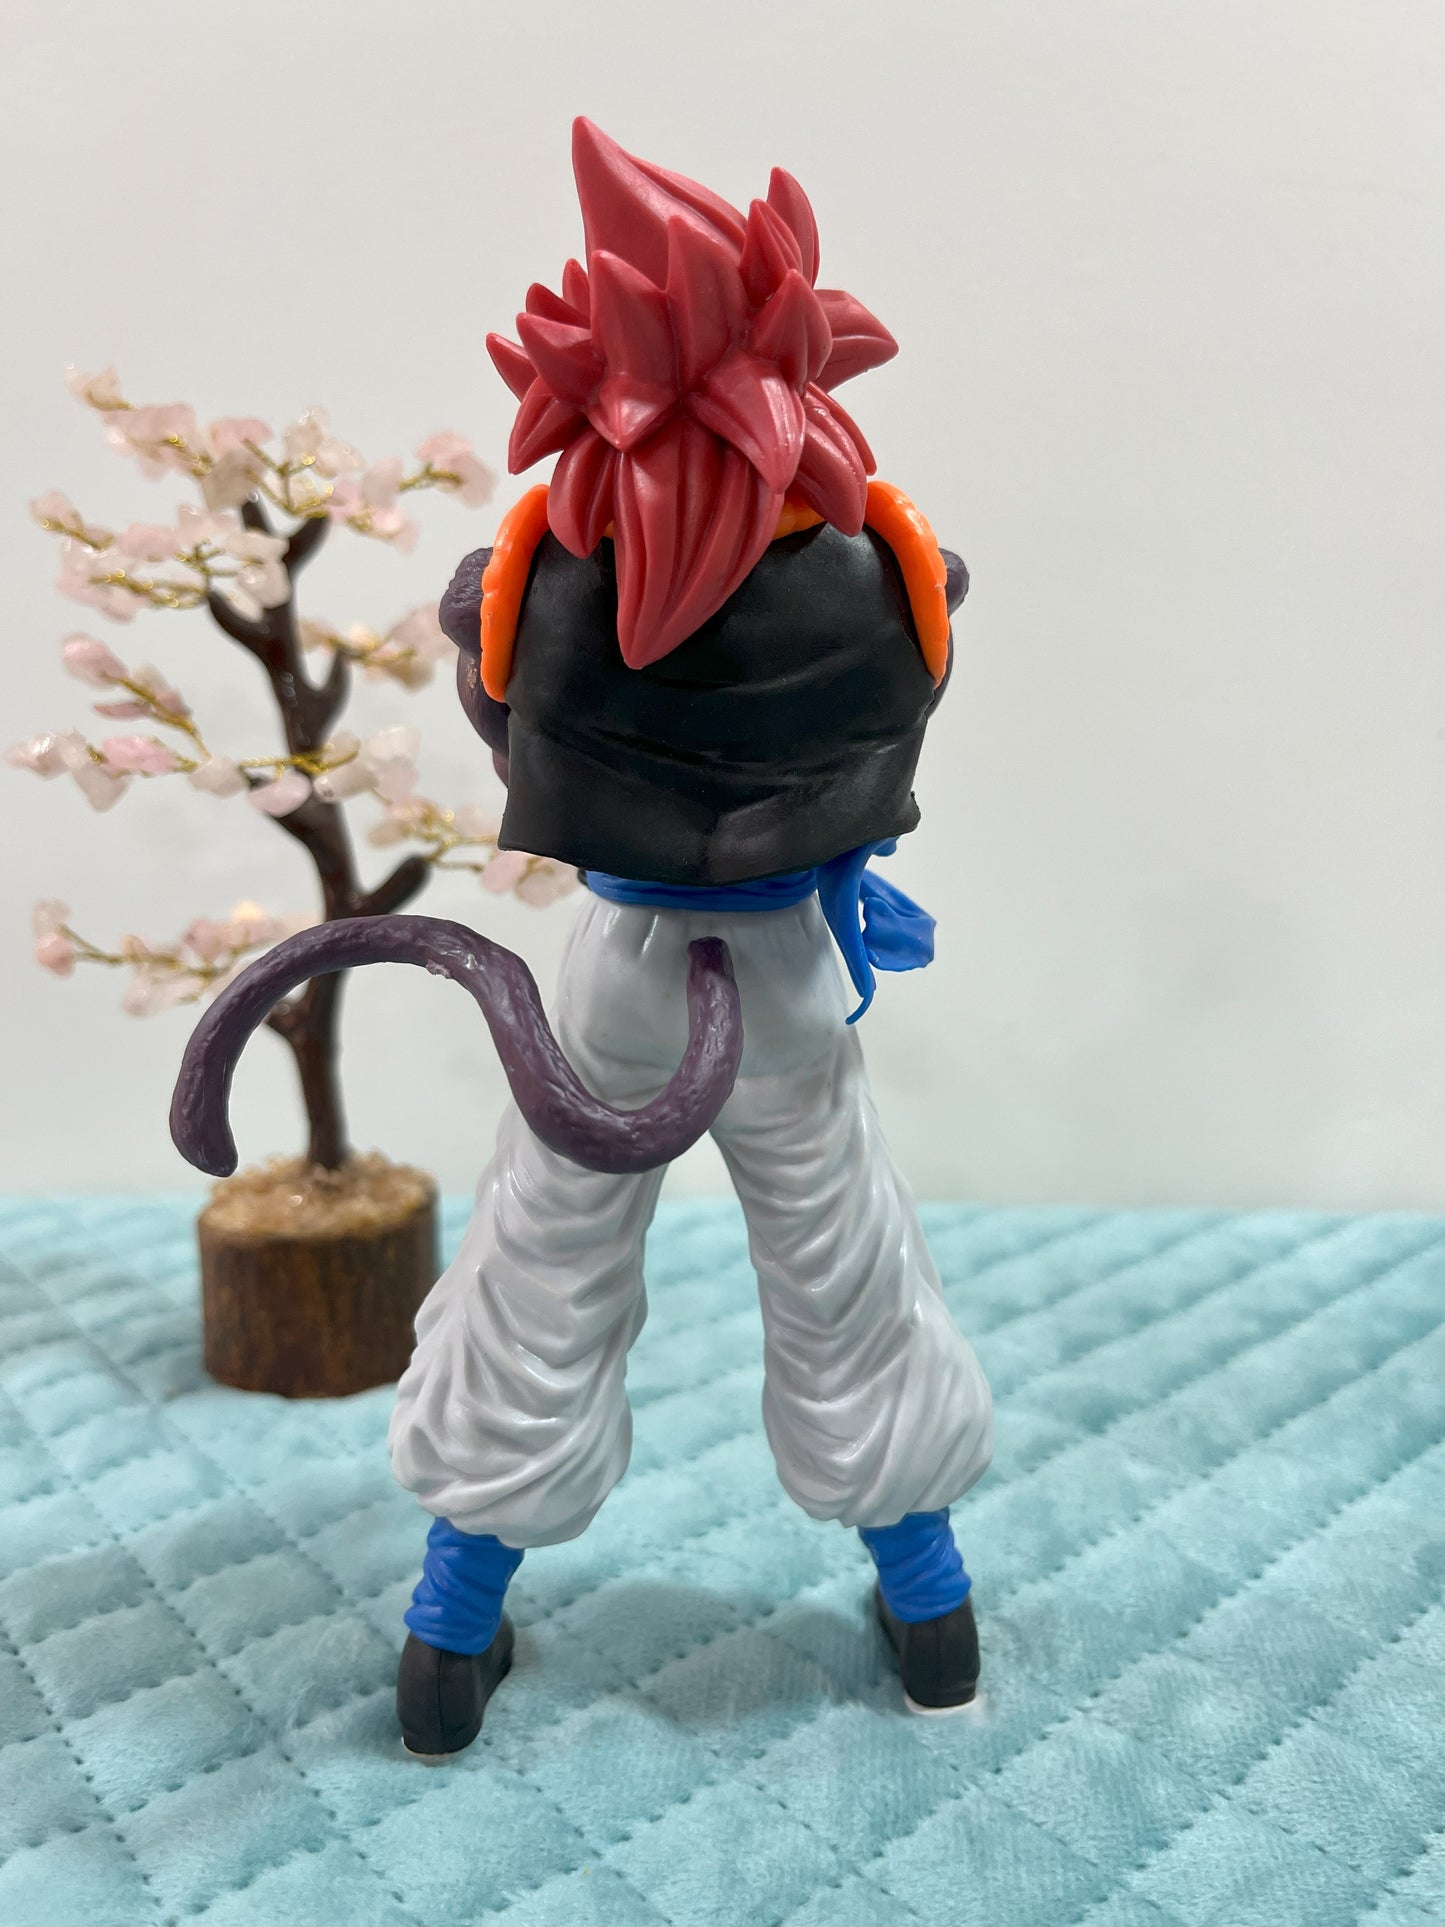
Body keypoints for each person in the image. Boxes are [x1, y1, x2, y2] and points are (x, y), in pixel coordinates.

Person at [387, 119, 994, 1756]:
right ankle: (930, 1604)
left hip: (624, 979)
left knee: (544, 1260)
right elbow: (897, 731)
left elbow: (509, 726)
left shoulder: (531, 571)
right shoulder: (895, 571)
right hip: (785, 971)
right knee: (841, 1260)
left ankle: (450, 1622)